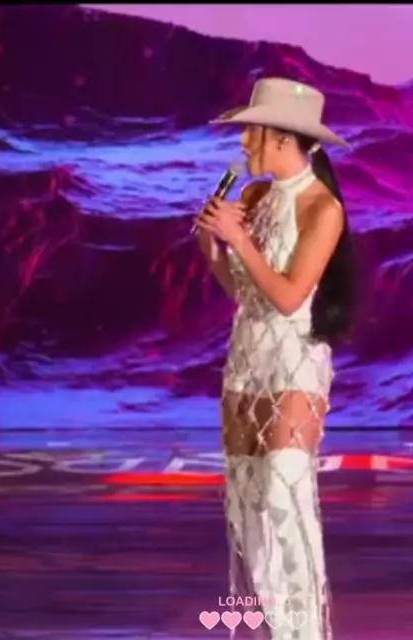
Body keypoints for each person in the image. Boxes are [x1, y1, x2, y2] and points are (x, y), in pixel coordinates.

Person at [195, 77, 355, 639]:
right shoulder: (256, 197)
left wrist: (240, 241)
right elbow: (247, 294)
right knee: (251, 513)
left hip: (294, 363)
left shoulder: (322, 207)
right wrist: (212, 247)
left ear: (283, 137)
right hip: (247, 360)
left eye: (251, 132)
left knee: (286, 501)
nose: (243, 144)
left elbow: (289, 298)